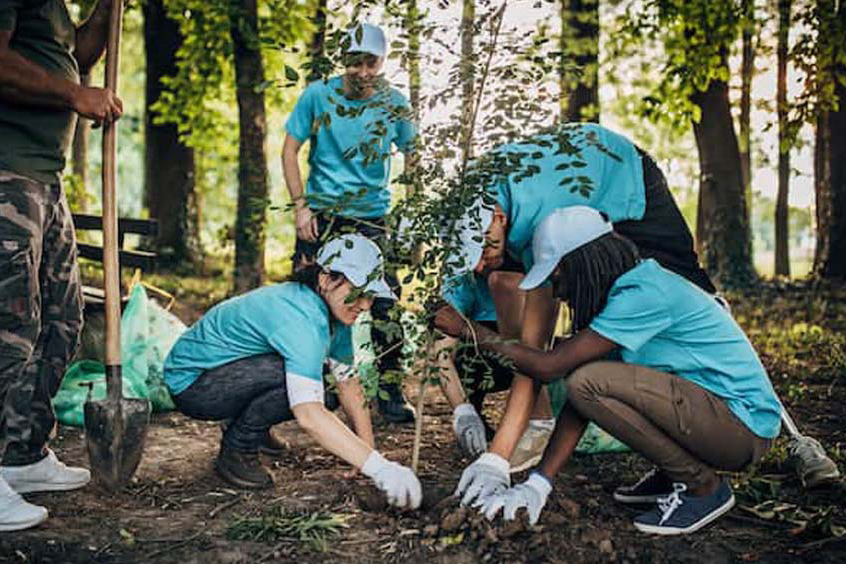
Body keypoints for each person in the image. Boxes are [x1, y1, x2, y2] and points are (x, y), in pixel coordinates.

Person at [435, 206, 781, 535]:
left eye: (557, 277)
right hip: (715, 419)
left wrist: (469, 330)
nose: (559, 291)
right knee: (588, 380)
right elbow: (581, 400)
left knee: (587, 379)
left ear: (584, 263)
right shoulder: (627, 294)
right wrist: (540, 483)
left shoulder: (643, 294)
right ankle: (673, 474)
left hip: (741, 429)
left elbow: (551, 367)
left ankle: (704, 488)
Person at [444, 122, 717, 474]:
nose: (477, 264)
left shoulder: (541, 217)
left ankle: (728, 402)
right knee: (502, 280)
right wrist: (463, 410)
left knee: (686, 281)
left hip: (620, 171)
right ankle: (540, 419)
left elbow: (538, 348)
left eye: (481, 249)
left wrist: (495, 459)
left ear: (499, 219)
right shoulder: (473, 199)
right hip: (546, 190)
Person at [163, 235, 421, 509]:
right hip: (194, 385)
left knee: (326, 388)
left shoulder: (338, 317)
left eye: (370, 295)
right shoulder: (299, 316)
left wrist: (367, 453)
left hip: (232, 373)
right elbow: (308, 414)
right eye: (358, 292)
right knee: (300, 382)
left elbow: (348, 383)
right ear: (325, 279)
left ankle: (251, 426)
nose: (366, 305)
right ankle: (238, 448)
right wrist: (381, 469)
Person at [0, 0, 124, 531]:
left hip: (46, 182)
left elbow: (79, 53)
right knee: (9, 329)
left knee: (61, 322)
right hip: (6, 174)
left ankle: (22, 455)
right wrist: (76, 95)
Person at [282, 22, 417, 423]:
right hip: (322, 218)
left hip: (373, 219)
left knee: (386, 304)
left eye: (370, 63)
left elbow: (415, 156)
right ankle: (317, 387)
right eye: (355, 62)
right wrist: (300, 206)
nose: (362, 71)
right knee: (311, 303)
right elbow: (289, 151)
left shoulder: (394, 103)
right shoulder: (317, 96)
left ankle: (391, 392)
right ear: (344, 61)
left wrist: (410, 215)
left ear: (382, 61)